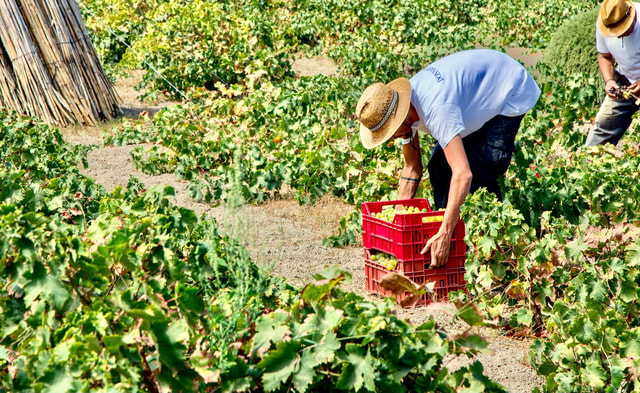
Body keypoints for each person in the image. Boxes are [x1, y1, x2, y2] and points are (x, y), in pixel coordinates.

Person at [355, 48, 540, 267]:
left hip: (509, 89)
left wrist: (445, 232)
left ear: (401, 119)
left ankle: (496, 252)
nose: (390, 138)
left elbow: (463, 174)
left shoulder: (436, 110)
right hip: (472, 98)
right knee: (440, 168)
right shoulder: (403, 106)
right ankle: (455, 241)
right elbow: (412, 167)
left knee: (484, 168)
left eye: (389, 132)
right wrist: (398, 225)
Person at [586, 0, 640, 146]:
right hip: (626, 84)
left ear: (631, 14)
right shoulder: (605, 22)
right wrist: (609, 80)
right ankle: (588, 164)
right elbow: (604, 56)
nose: (619, 36)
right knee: (603, 128)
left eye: (624, 29)